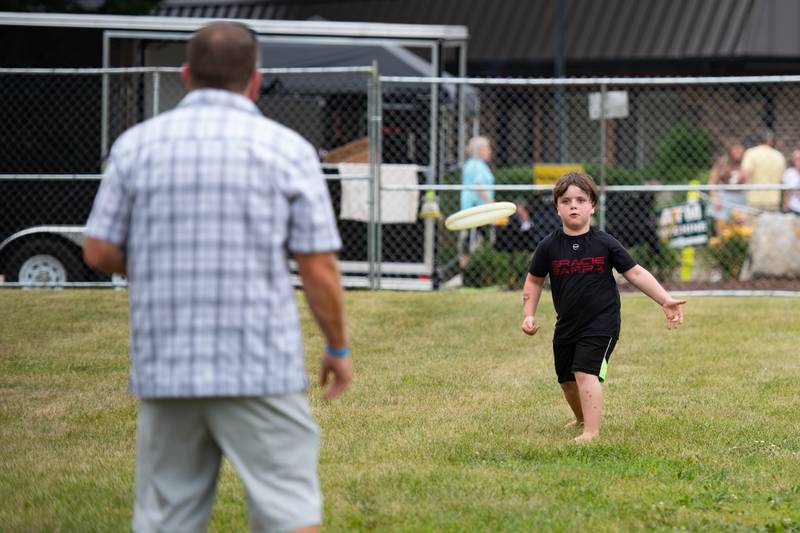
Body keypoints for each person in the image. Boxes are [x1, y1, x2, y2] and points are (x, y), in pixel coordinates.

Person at [83, 22, 352, 533]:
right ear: (255, 80)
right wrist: (337, 347)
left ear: (186, 76)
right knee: (289, 511)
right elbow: (316, 265)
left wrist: (161, 262)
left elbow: (97, 249)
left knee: (167, 518)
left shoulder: (136, 145)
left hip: (167, 363)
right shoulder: (287, 149)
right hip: (261, 363)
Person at [520, 172, 685, 444]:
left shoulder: (605, 243)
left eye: (581, 200)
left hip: (602, 323)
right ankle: (582, 418)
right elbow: (534, 281)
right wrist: (529, 315)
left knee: (586, 372)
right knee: (566, 379)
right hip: (567, 323)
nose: (574, 205)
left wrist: (664, 299)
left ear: (592, 206)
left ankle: (591, 432)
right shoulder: (548, 246)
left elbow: (636, 273)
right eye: (566, 200)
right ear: (557, 207)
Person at [458, 136, 496, 268]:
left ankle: (471, 270)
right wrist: (491, 203)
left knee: (473, 240)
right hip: (476, 209)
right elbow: (478, 186)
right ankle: (468, 270)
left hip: (480, 209)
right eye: (487, 148)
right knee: (472, 240)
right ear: (479, 150)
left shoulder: (478, 165)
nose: (489, 151)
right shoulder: (476, 165)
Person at [741, 127, 786, 212]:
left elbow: (745, 174)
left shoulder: (751, 153)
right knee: (771, 224)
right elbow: (782, 179)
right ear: (771, 140)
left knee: (753, 225)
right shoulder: (779, 156)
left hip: (754, 199)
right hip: (773, 199)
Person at [708, 142, 746, 230]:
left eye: (740, 149)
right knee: (722, 226)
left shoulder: (746, 163)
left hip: (741, 197)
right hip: (725, 196)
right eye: (735, 149)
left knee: (741, 227)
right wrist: (714, 197)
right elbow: (712, 181)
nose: (738, 152)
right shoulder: (722, 163)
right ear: (730, 151)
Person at [781, 147, 800, 215]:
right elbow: (786, 193)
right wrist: (785, 209)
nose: (797, 161)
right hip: (793, 208)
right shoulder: (789, 173)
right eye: (796, 159)